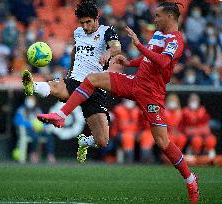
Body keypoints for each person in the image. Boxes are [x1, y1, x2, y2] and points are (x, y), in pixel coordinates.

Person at [37, 2, 199, 203]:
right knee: (93, 78)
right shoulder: (158, 35)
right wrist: (130, 62)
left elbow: (164, 62)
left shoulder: (176, 40)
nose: (154, 19)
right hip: (135, 83)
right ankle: (61, 115)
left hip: (152, 94)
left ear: (171, 17)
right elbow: (149, 60)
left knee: (163, 142)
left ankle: (191, 179)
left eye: (158, 16)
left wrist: (139, 45)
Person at [22, 1, 121, 163]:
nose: (85, 26)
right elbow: (75, 51)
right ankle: (32, 86)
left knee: (102, 141)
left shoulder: (106, 31)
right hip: (76, 81)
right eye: (82, 23)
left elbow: (117, 48)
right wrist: (70, 70)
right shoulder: (78, 32)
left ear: (97, 19)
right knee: (56, 85)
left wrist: (109, 52)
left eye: (88, 22)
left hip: (96, 88)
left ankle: (83, 142)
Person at [14, 96, 55, 163]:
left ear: (35, 102)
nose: (30, 102)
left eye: (32, 100)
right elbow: (17, 121)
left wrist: (44, 126)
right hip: (27, 130)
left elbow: (42, 121)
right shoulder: (21, 110)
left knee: (49, 136)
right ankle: (33, 154)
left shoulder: (37, 110)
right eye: (29, 100)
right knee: (35, 136)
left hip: (38, 130)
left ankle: (50, 155)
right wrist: (31, 125)